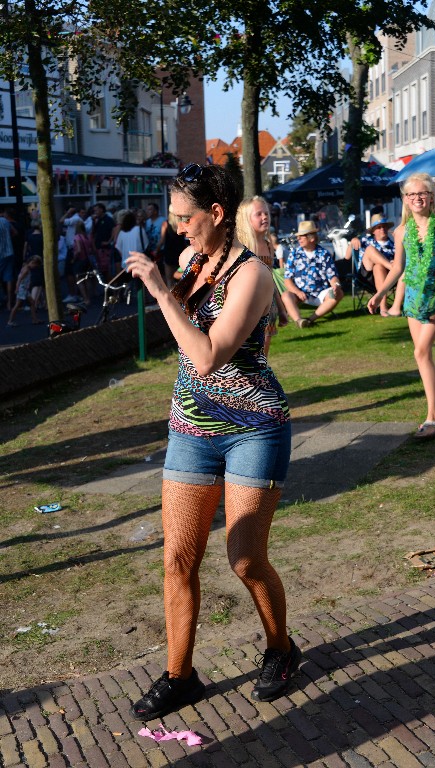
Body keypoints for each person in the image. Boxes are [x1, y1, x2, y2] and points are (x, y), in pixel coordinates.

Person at [125, 163, 300, 719]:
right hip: (191, 427)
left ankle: (281, 648)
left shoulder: (254, 275)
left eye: (185, 218)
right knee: (178, 559)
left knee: (245, 559)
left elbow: (206, 355)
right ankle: (180, 677)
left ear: (217, 214)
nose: (177, 228)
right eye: (174, 217)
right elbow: (184, 341)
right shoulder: (190, 259)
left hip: (253, 426)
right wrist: (172, 283)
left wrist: (159, 289)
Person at [368, 172, 435, 439]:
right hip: (413, 299)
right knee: (424, 356)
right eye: (411, 194)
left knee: (421, 353)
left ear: (431, 197)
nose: (417, 198)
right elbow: (398, 266)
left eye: (422, 193)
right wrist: (381, 294)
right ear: (405, 200)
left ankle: (432, 417)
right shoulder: (400, 231)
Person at [236, 196, 288, 355]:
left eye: (266, 213)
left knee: (262, 354)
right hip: (248, 305)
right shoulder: (241, 247)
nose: (265, 217)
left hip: (268, 307)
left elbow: (270, 279)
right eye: (258, 214)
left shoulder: (268, 244)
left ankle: (261, 379)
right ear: (246, 218)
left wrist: (281, 309)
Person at [281, 220, 343, 328]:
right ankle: (299, 321)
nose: (298, 238)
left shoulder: (324, 254)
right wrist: (297, 292)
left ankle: (311, 319)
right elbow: (287, 279)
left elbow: (332, 275)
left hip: (320, 293)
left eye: (302, 236)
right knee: (286, 295)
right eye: (298, 236)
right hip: (300, 294)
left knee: (339, 294)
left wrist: (336, 286)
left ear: (312, 238)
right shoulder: (294, 254)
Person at [345, 215, 404, 317]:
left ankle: (383, 308)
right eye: (379, 227)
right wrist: (352, 241)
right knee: (370, 250)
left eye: (384, 226)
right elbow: (347, 257)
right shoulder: (364, 240)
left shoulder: (394, 245)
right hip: (366, 276)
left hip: (387, 277)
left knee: (379, 267)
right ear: (373, 231)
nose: (382, 229)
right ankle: (393, 268)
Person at [7, 256, 43, 326]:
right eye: (35, 266)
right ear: (32, 263)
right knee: (17, 305)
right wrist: (17, 288)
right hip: (22, 289)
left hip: (25, 289)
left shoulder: (26, 267)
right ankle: (10, 321)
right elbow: (19, 279)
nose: (35, 267)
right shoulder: (26, 269)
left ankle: (34, 319)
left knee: (32, 302)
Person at [159, 207, 187, 289]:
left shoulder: (165, 224)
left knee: (169, 278)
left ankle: (171, 296)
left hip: (169, 252)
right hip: (181, 251)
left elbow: (162, 240)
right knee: (182, 276)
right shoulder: (182, 223)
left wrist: (156, 250)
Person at [92, 203, 115, 280]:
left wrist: (109, 241)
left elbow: (113, 230)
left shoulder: (108, 219)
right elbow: (94, 232)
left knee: (106, 268)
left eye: (96, 210)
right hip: (99, 248)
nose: (95, 212)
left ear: (101, 209)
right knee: (102, 269)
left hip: (105, 249)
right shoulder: (97, 220)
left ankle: (110, 288)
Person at [0, 207, 17, 310]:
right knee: (9, 278)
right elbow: (15, 232)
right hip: (9, 252)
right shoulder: (5, 221)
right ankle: (9, 303)